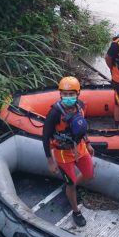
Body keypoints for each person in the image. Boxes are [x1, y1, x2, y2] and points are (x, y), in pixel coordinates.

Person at [42, 76, 95, 227]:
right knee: (70, 183)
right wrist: (50, 161)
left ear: (78, 93)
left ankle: (69, 188)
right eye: (65, 94)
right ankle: (75, 210)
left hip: (80, 148)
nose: (68, 97)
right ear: (60, 94)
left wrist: (88, 143)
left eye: (71, 94)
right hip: (63, 154)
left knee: (89, 174)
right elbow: (45, 137)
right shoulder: (54, 114)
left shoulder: (81, 106)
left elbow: (81, 127)